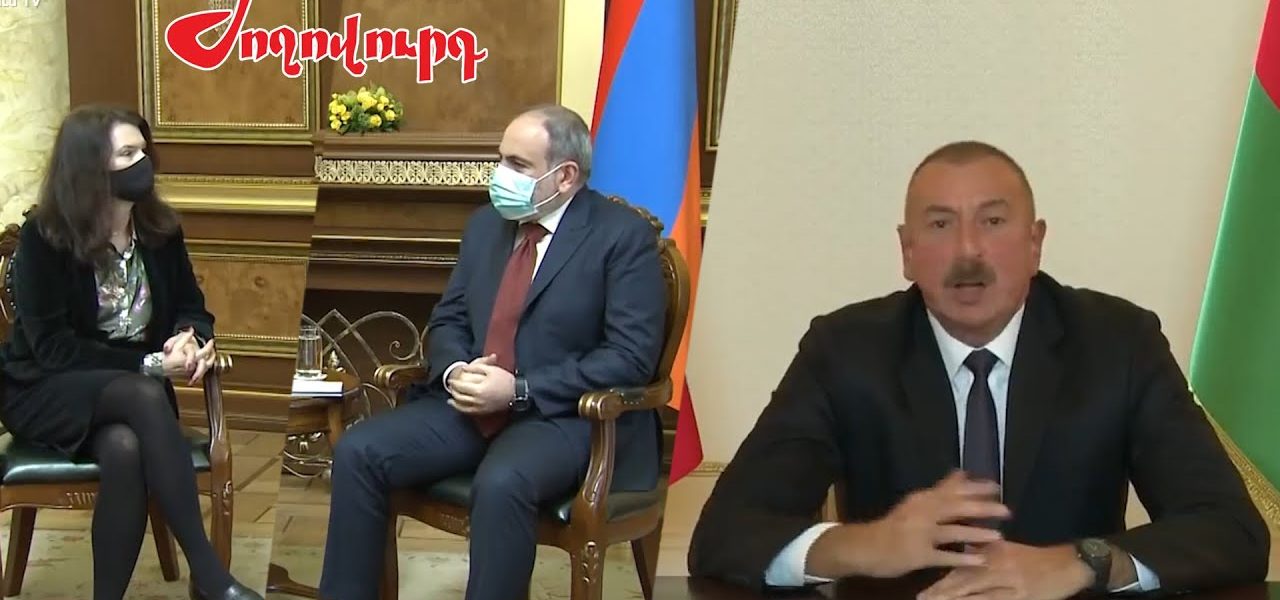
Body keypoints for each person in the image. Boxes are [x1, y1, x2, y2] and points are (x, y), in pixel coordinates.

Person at [687, 141, 1270, 599]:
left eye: (992, 222)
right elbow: (723, 534)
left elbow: (1232, 530)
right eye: (941, 225)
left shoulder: (1119, 345)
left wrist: (1083, 562)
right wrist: (865, 546)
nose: (968, 250)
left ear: (1035, 243)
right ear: (907, 251)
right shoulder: (845, 351)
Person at [317, 104, 667, 600]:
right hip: (470, 406)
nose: (499, 175)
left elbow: (630, 358)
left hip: (565, 418)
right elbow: (449, 317)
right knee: (359, 450)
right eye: (500, 159)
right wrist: (455, 369)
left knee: (502, 483)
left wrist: (520, 389)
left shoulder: (621, 237)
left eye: (517, 165)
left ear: (565, 176)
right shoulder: (486, 226)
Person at [0, 105, 263, 600]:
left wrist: (188, 336)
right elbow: (52, 349)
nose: (143, 161)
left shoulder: (160, 231)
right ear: (89, 165)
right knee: (144, 392)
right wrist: (150, 364)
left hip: (130, 400)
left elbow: (191, 305)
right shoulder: (44, 238)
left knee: (124, 448)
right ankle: (209, 575)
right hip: (46, 390)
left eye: (143, 150)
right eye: (126, 153)